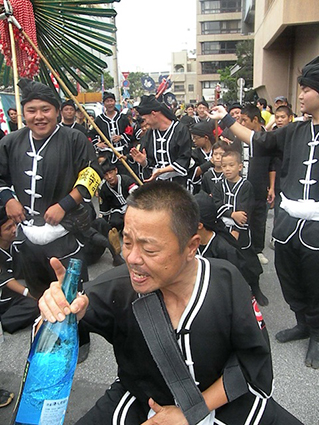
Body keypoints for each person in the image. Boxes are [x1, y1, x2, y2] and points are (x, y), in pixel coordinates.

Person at [38, 181, 303, 424]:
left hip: (222, 401)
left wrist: (193, 411)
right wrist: (56, 310)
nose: (131, 258)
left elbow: (251, 361)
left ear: (191, 246)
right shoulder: (114, 288)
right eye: (127, 242)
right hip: (141, 402)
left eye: (149, 249)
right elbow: (52, 341)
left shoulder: (226, 281)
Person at [207, 55, 319, 369]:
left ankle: (318, 334)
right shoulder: (294, 131)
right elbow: (259, 138)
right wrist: (227, 121)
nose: (300, 96)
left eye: (307, 89)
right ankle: (301, 321)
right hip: (288, 220)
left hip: (317, 224)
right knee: (289, 275)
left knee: (315, 279)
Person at [0, 78, 102, 299]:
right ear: (23, 113)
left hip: (65, 232)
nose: (39, 116)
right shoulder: (10, 142)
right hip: (27, 235)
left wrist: (65, 205)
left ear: (56, 111)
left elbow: (92, 173)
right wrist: (8, 199)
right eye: (32, 110)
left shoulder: (74, 138)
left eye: (45, 109)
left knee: (72, 300)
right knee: (40, 299)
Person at [211, 151, 268, 306]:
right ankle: (231, 293)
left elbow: (246, 210)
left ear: (240, 167)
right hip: (223, 229)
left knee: (249, 262)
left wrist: (237, 229)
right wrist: (231, 213)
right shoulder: (218, 185)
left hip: (241, 231)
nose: (227, 169)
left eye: (231, 165)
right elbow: (215, 204)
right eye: (224, 166)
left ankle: (255, 288)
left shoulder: (246, 186)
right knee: (225, 262)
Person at [130, 95, 192, 186]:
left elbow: (184, 159)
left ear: (154, 114)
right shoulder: (149, 134)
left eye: (145, 119)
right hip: (157, 186)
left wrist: (161, 171)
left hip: (178, 186)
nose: (145, 123)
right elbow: (150, 162)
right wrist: (144, 162)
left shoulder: (180, 130)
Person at [240, 104, 274, 266]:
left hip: (260, 186)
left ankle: (257, 250)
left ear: (255, 120)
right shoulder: (239, 137)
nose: (242, 124)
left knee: (259, 220)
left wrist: (272, 186)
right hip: (240, 185)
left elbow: (273, 165)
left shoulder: (268, 139)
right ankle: (242, 249)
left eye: (244, 120)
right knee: (242, 217)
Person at [0, 207, 39, 333]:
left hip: (15, 292)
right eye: (7, 228)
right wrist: (29, 293)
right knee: (33, 305)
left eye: (13, 225)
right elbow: (6, 280)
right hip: (3, 297)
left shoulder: (14, 244)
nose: (13, 230)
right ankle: (3, 323)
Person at [92, 92, 133, 174]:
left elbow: (130, 132)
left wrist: (121, 137)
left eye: (111, 101)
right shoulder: (99, 120)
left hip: (121, 154)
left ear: (115, 102)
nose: (110, 103)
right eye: (107, 101)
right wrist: (97, 144)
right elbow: (91, 135)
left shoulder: (122, 118)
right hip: (106, 155)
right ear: (104, 104)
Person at [187, 121, 215, 193]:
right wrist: (210, 162)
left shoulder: (217, 150)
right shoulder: (194, 153)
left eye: (196, 138)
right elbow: (193, 173)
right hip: (200, 190)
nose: (194, 140)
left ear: (206, 138)